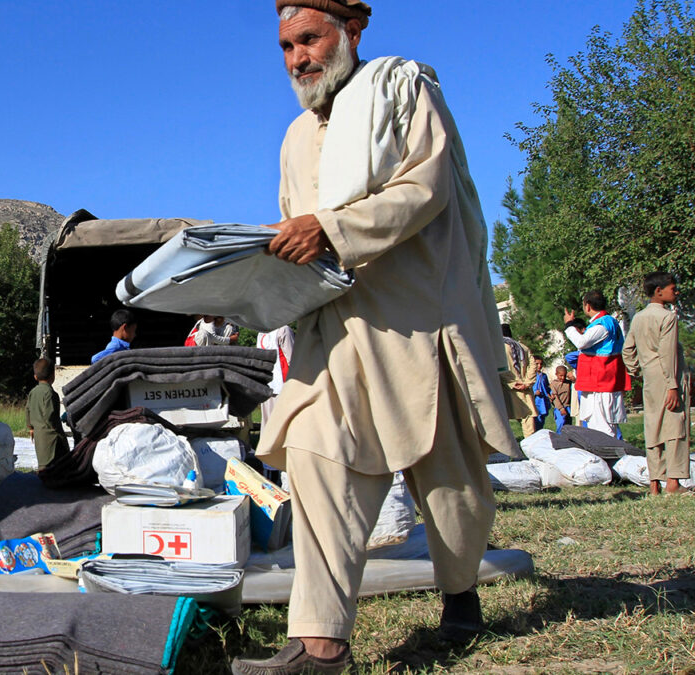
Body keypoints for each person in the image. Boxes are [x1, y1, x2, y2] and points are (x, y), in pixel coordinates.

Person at [234, 3, 518, 673]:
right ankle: (321, 642)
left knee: (451, 488)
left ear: (351, 33)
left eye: (310, 39)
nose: (297, 58)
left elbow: (425, 189)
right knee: (314, 456)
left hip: (415, 321)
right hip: (333, 328)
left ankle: (461, 598)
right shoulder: (294, 138)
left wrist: (332, 229)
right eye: (285, 46)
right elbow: (291, 227)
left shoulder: (402, 87)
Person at [622, 272, 690, 496]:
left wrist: (637, 371)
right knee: (675, 427)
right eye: (673, 288)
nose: (676, 292)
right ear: (659, 291)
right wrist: (672, 385)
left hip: (650, 377)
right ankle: (673, 482)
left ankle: (654, 483)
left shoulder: (639, 317)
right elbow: (667, 352)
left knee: (653, 427)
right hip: (668, 375)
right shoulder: (667, 317)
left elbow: (627, 350)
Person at [563, 291, 630, 438]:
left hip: (601, 382)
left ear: (587, 306)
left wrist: (569, 325)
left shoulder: (603, 323)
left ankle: (608, 458)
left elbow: (582, 342)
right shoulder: (606, 322)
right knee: (597, 426)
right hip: (599, 382)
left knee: (603, 428)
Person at [25, 358, 68, 468]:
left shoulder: (32, 392)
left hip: (38, 434)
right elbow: (50, 415)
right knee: (59, 462)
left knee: (43, 462)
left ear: (35, 376)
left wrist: (31, 427)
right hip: (52, 436)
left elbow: (27, 410)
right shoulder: (50, 393)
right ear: (53, 376)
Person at [257, 324, 296, 429]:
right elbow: (293, 360)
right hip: (281, 385)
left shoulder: (261, 333)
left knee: (269, 424)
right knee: (285, 423)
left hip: (267, 385)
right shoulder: (284, 330)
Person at [500, 325, 538, 437]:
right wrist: (527, 382)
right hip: (524, 388)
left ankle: (509, 449)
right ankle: (530, 448)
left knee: (504, 419)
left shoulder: (499, 347)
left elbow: (500, 368)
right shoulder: (523, 347)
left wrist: (512, 383)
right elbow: (533, 365)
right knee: (528, 421)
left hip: (507, 388)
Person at [531, 357, 552, 433]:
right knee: (536, 419)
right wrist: (534, 392)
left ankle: (539, 432)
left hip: (543, 400)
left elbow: (547, 387)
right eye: (537, 364)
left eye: (541, 364)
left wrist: (550, 394)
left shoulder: (544, 376)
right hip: (535, 401)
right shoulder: (531, 375)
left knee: (542, 418)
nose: (539, 366)